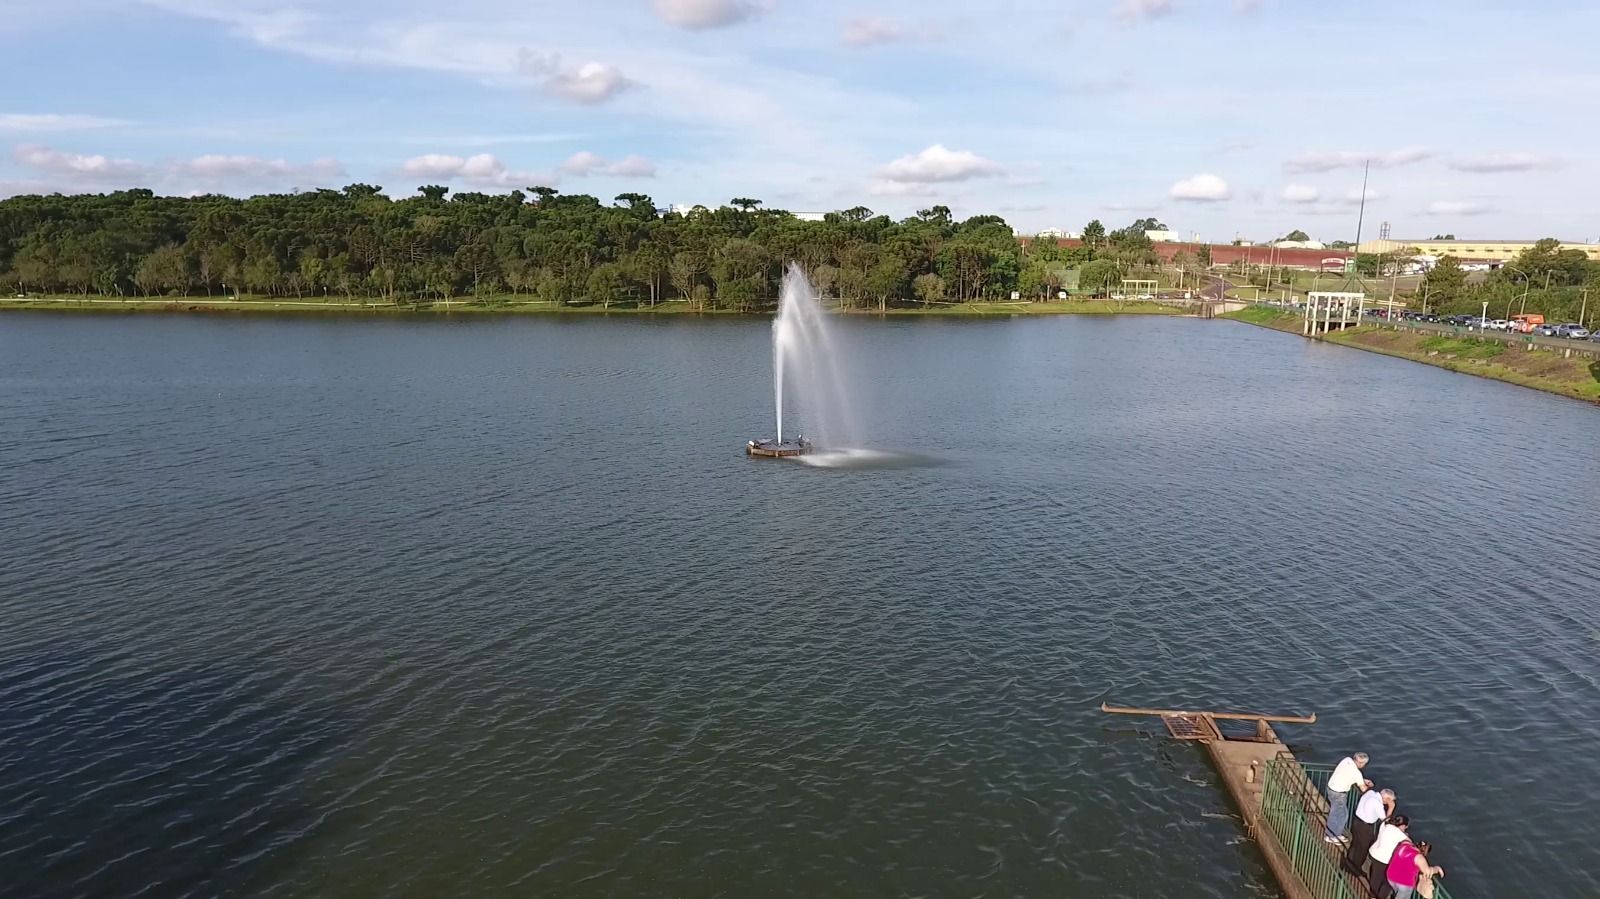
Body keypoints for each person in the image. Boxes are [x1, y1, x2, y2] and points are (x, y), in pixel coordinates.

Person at [1342, 787, 1395, 875]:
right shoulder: (1378, 804)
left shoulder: (1370, 792)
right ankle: (1355, 869)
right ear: (1387, 799)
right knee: (1363, 849)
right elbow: (1386, 820)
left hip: (1356, 821)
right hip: (1365, 827)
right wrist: (1391, 808)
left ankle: (1348, 864)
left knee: (1355, 845)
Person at [1323, 751, 1371, 842]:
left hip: (1331, 788)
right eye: (1364, 764)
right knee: (1339, 815)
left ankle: (1334, 833)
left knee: (1338, 813)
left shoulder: (1346, 760)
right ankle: (1331, 836)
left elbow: (1349, 775)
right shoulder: (1357, 773)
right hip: (1339, 794)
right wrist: (1371, 789)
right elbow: (1364, 789)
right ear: (1361, 763)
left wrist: (1362, 780)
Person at [1367, 814, 1411, 899]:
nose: (1405, 829)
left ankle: (1372, 895)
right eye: (1405, 827)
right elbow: (1410, 844)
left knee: (1376, 876)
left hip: (1374, 853)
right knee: (1388, 882)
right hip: (1385, 860)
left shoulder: (1385, 824)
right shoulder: (1399, 834)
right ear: (1402, 825)